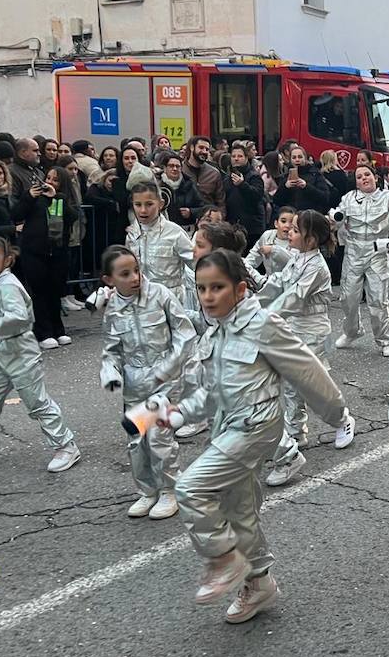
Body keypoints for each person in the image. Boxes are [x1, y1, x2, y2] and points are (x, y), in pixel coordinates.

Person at [149, 250, 349, 621]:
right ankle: (259, 583)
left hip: (257, 426)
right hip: (228, 427)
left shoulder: (263, 324)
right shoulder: (215, 331)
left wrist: (338, 415)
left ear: (240, 289)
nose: (208, 296)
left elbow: (307, 371)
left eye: (217, 288)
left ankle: (225, 560)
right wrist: (175, 414)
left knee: (191, 488)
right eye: (202, 288)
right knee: (239, 511)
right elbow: (212, 394)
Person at [0, 236, 82, 473]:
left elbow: (18, 317)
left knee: (37, 403)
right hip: (1, 354)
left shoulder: (7, 284)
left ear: (7, 260)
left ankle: (66, 445)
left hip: (21, 354)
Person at [99, 244, 197, 520]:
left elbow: (184, 333)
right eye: (125, 274)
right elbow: (111, 350)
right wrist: (110, 373)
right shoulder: (114, 309)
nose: (134, 278)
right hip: (134, 383)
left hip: (164, 381)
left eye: (136, 270)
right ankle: (147, 491)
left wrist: (169, 367)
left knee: (159, 437)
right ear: (109, 280)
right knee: (137, 441)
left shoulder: (160, 294)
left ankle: (169, 490)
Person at [258, 210, 356, 486]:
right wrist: (252, 292)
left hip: (314, 330)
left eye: (297, 230)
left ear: (311, 240)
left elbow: (293, 298)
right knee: (290, 383)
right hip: (293, 328)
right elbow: (277, 284)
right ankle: (296, 432)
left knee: (313, 386)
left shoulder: (315, 266)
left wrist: (264, 317)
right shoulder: (298, 258)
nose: (290, 232)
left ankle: (342, 419)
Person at [332, 163, 389, 357]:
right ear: (356, 183)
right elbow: (337, 219)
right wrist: (335, 219)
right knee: (348, 298)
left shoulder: (387, 197)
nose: (364, 179)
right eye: (359, 177)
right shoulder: (349, 199)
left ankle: (385, 340)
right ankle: (352, 331)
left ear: (375, 177)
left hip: (376, 251)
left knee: (378, 299)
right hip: (353, 251)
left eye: (367, 174)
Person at [12, 165, 73, 349]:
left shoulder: (62, 199)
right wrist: (29, 197)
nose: (50, 182)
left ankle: (58, 329)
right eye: (48, 178)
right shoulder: (33, 198)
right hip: (34, 251)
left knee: (55, 291)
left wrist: (55, 197)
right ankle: (43, 331)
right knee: (39, 291)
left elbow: (72, 216)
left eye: (55, 180)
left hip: (57, 251)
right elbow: (16, 214)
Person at [125, 180, 195, 298]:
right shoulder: (132, 234)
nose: (143, 210)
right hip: (142, 299)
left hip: (171, 299)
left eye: (149, 204)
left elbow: (196, 262)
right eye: (138, 204)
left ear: (160, 204)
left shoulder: (174, 233)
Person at [245, 204, 296, 277]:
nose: (287, 226)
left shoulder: (296, 241)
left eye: (291, 222)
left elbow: (294, 262)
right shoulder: (267, 235)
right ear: (276, 223)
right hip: (267, 281)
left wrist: (273, 249)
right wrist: (243, 267)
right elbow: (253, 257)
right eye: (283, 221)